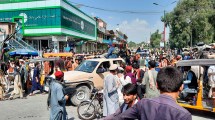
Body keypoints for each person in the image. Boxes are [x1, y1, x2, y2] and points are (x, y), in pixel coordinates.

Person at [114, 67, 192, 120]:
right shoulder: (183, 115)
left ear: (157, 85)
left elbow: (120, 117)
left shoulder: (143, 103)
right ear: (181, 87)